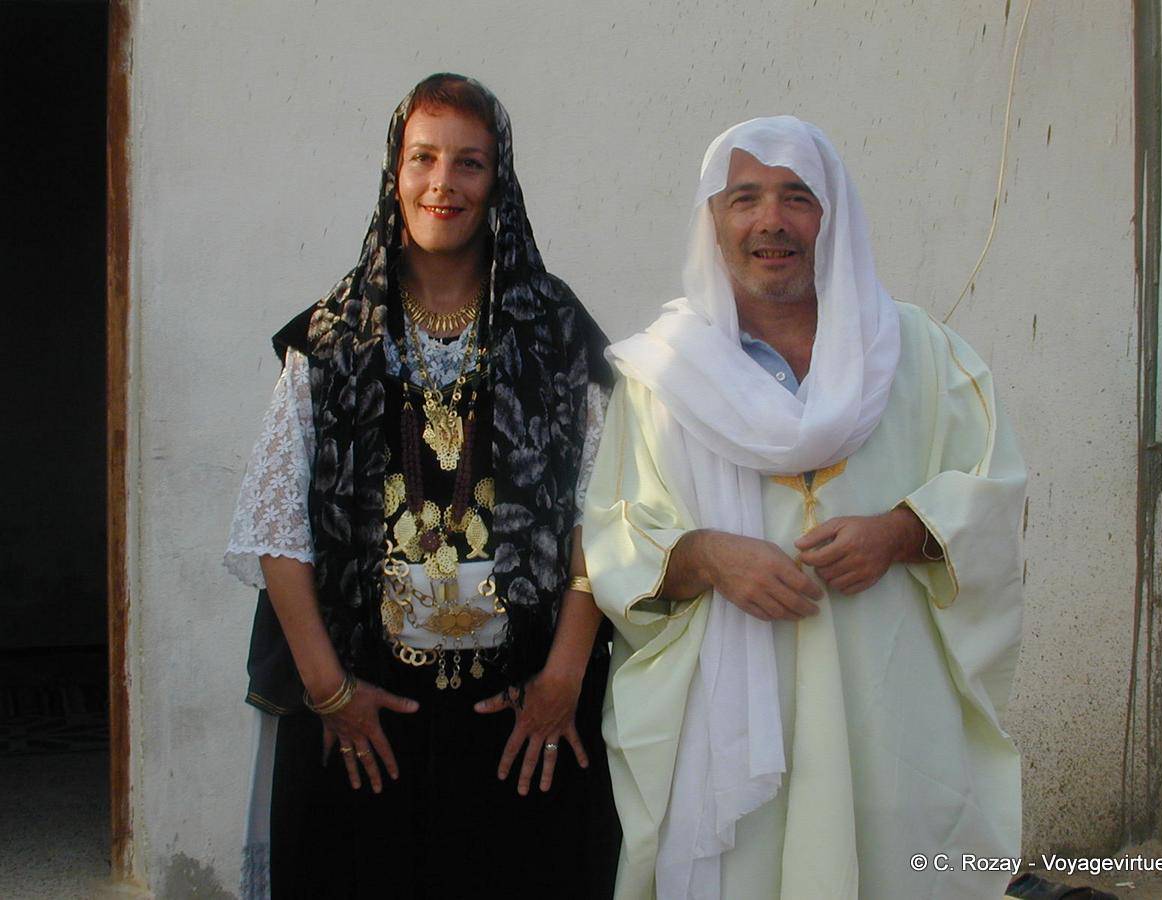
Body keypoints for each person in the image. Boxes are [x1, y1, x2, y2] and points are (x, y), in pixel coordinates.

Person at [583, 116, 1026, 899]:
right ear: (713, 221)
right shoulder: (666, 377)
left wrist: (901, 532)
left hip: (889, 722)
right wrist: (706, 556)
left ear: (834, 215)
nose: (771, 221)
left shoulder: (918, 353)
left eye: (797, 197)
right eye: (744, 198)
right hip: (727, 743)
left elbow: (994, 494)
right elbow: (614, 538)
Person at [225, 73, 619, 899]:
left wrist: (562, 682)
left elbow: (603, 512)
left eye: (469, 162)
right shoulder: (333, 337)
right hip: (363, 711)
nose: (444, 183)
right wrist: (329, 692)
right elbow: (277, 528)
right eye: (423, 158)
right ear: (394, 172)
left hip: (525, 713)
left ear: (499, 181)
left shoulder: (554, 333)